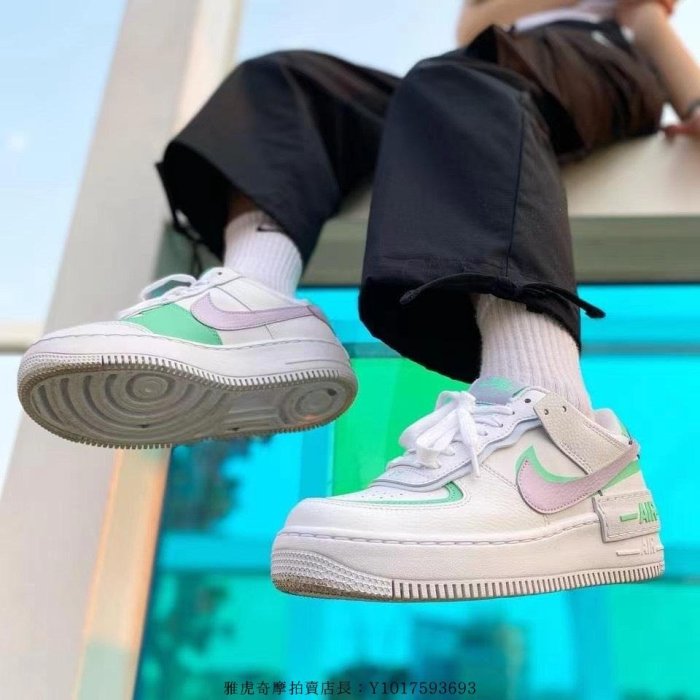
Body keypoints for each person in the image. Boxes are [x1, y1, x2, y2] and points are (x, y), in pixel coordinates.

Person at [18, 0, 699, 600]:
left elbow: (643, 18)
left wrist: (693, 102)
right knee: (286, 82)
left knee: (461, 84)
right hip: (464, 88)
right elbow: (474, 22)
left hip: (591, 64)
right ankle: (253, 302)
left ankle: (558, 432)